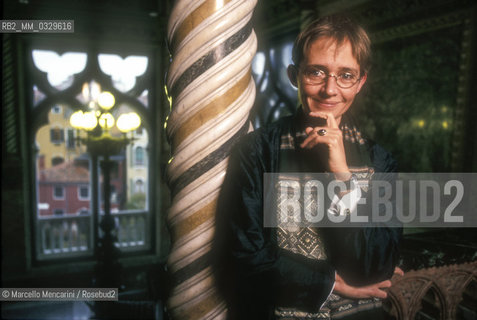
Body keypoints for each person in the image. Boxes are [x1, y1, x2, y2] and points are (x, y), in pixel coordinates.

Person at [213, 14, 403, 320]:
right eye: (316, 72)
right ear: (293, 74)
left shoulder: (380, 160)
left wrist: (343, 175)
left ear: (360, 82)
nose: (330, 90)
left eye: (345, 76)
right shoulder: (257, 150)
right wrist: (329, 283)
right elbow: (244, 256)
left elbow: (377, 266)